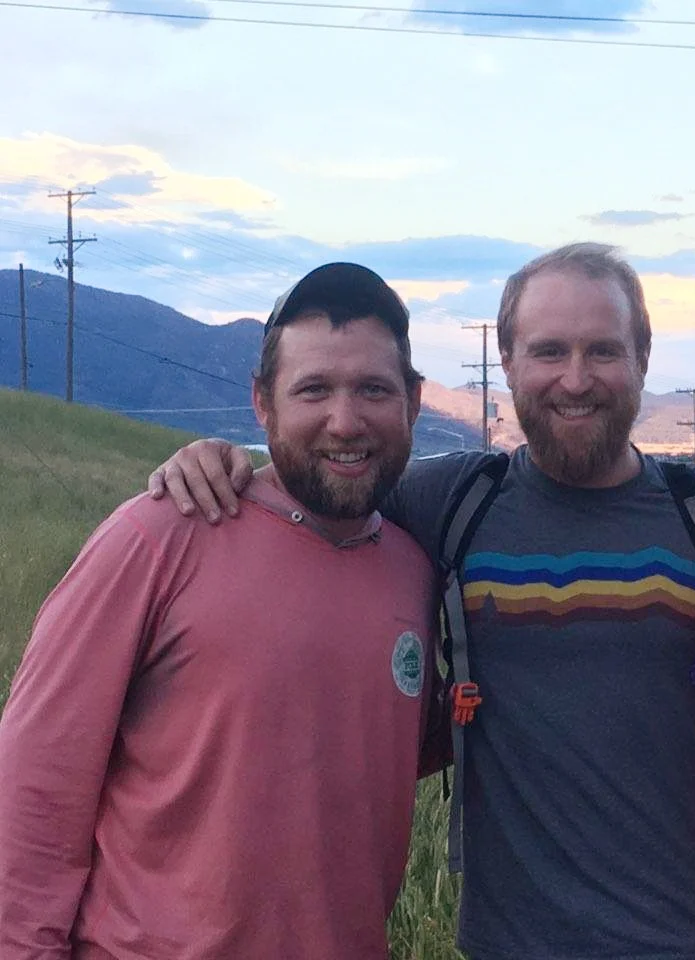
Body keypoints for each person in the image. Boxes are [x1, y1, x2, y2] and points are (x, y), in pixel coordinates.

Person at [144, 243, 695, 960]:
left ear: (642, 357)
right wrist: (223, 462)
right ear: (508, 361)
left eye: (603, 351)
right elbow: (327, 478)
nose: (575, 379)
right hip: (509, 944)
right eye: (549, 351)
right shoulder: (454, 502)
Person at [0, 262, 448, 959]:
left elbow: (369, 755)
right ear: (262, 403)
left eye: (373, 389)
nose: (345, 421)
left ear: (413, 402)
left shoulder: (415, 571)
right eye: (314, 390)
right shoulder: (160, 534)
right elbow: (36, 780)